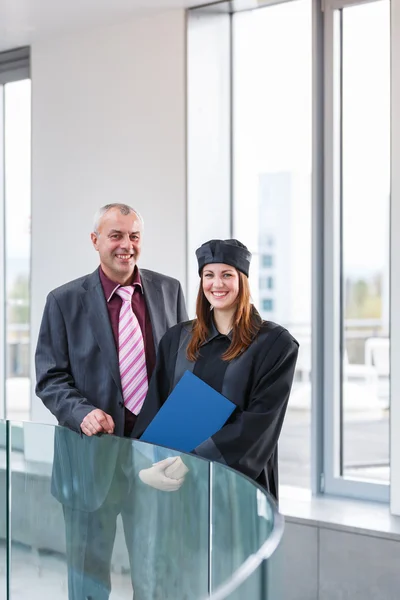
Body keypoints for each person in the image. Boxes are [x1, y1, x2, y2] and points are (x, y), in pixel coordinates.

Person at [35, 203, 188, 600]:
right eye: (116, 235)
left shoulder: (169, 290)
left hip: (153, 460)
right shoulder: (64, 300)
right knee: (88, 583)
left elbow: (182, 370)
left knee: (157, 580)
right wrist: (81, 412)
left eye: (133, 236)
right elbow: (50, 377)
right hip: (88, 463)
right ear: (95, 241)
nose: (126, 245)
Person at [133, 238, 299, 500]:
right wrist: (143, 464)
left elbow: (259, 425)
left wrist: (192, 461)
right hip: (177, 486)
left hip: (237, 488)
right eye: (209, 275)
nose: (217, 284)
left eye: (227, 275)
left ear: (242, 280)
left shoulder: (275, 344)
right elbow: (154, 407)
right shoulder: (177, 338)